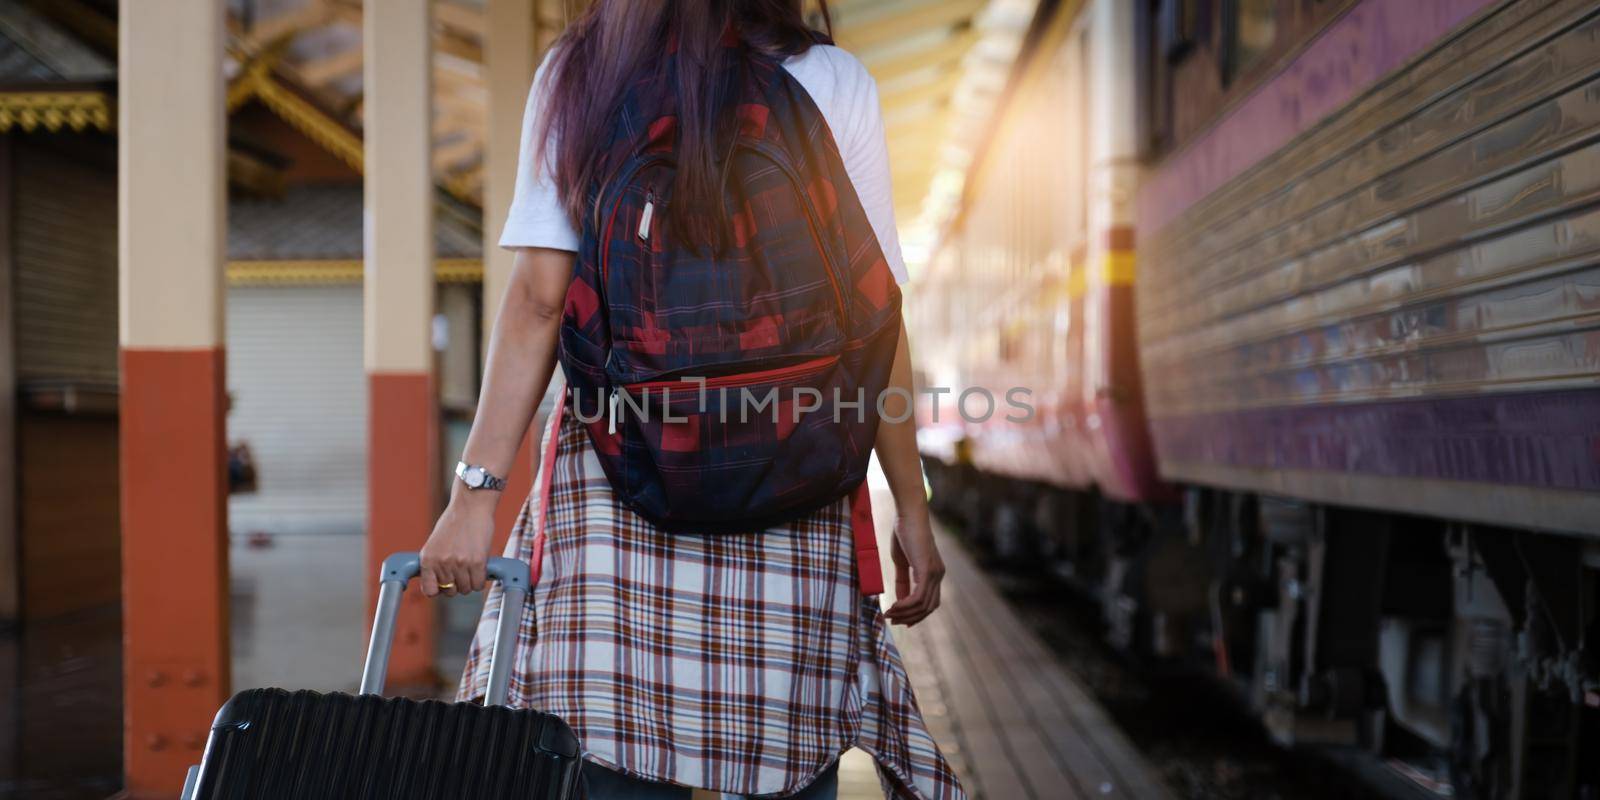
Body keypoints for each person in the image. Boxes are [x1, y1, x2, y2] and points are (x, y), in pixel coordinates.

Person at [419, 2, 963, 798]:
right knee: (787, 753)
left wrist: (475, 496)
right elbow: (877, 320)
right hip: (793, 487)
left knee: (606, 753)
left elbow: (539, 301)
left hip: (613, 500)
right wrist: (910, 507)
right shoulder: (830, 78)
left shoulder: (580, 75)